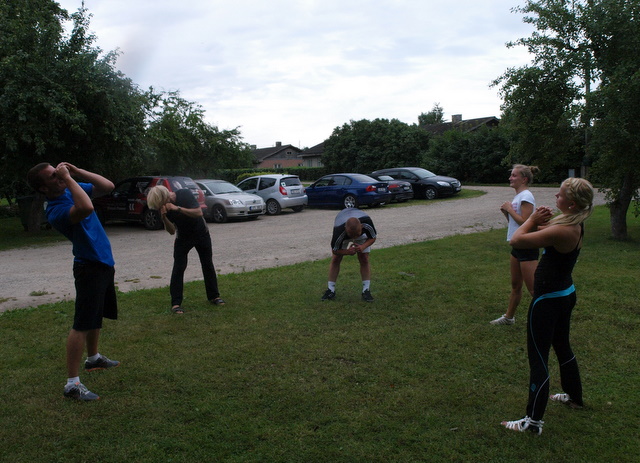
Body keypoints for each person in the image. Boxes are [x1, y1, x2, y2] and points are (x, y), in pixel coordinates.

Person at [501, 178, 594, 435]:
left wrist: (531, 219)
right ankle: (574, 397)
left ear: (571, 203)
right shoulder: (574, 221)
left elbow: (516, 240)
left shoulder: (563, 230)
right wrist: (538, 220)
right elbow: (545, 229)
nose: (555, 196)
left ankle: (532, 422)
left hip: (548, 301)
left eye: (560, 194)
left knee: (539, 359)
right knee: (562, 347)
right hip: (565, 294)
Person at [26, 162, 120, 401]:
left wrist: (76, 172)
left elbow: (108, 186)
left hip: (102, 262)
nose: (59, 175)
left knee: (95, 314)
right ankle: (72, 384)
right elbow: (86, 207)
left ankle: (94, 358)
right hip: (88, 267)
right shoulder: (55, 211)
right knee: (82, 323)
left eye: (58, 172)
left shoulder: (70, 188)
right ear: (43, 188)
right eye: (53, 176)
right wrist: (69, 179)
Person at [146, 185, 225, 313]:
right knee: (178, 268)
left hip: (201, 233)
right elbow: (171, 231)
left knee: (207, 264)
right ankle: (176, 303)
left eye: (159, 204)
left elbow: (198, 212)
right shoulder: (164, 207)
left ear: (163, 197)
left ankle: (214, 296)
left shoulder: (184, 194)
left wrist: (176, 208)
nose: (159, 206)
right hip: (183, 238)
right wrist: (164, 218)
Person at [491, 165, 540, 325]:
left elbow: (526, 222)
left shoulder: (526, 196)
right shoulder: (519, 196)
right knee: (516, 285)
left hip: (527, 247)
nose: (510, 178)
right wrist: (507, 213)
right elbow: (517, 225)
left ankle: (549, 318)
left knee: (533, 289)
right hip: (517, 246)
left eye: (514, 175)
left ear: (524, 179)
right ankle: (509, 318)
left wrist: (509, 209)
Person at [321, 208, 377, 302]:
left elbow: (373, 238)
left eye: (357, 235)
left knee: (364, 259)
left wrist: (362, 247)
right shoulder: (339, 231)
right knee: (336, 259)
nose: (355, 238)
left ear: (361, 226)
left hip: (360, 232)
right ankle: (330, 290)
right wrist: (347, 252)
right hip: (345, 232)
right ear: (345, 229)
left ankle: (366, 290)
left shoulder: (367, 223)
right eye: (352, 236)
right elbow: (335, 250)